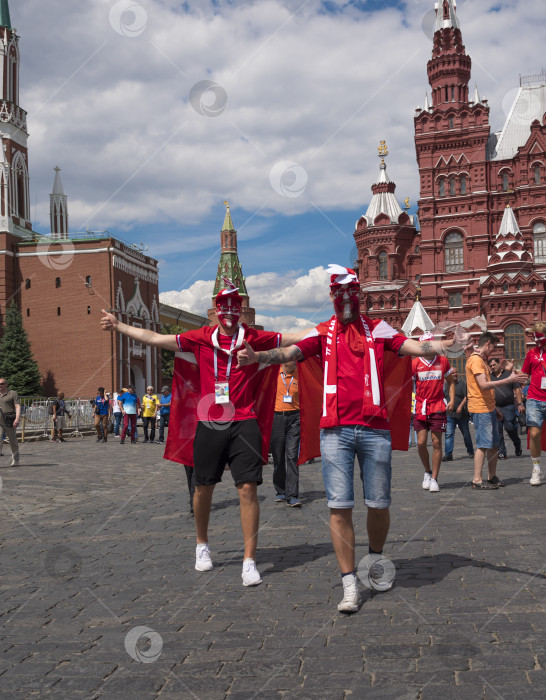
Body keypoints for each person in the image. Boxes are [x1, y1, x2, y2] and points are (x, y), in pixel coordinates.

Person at [237, 264, 471, 613]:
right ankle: (349, 583)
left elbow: (413, 347)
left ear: (359, 296)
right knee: (339, 504)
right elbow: (291, 353)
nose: (346, 299)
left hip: (374, 428)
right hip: (335, 430)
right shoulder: (322, 332)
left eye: (351, 293)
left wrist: (445, 345)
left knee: (378, 503)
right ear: (332, 297)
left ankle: (374, 560)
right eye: (339, 293)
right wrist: (259, 358)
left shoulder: (378, 329)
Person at [100, 282, 302, 587]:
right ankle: (202, 544)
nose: (229, 311)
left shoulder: (252, 338)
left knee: (247, 487)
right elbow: (155, 338)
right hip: (210, 421)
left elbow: (292, 338)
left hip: (244, 419)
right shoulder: (201, 338)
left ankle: (249, 560)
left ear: (240, 309)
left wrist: (333, 327)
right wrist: (119, 326)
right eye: (224, 305)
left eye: (235, 305)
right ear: (216, 310)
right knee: (203, 486)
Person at [466, 332, 526, 489]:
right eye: (493, 347)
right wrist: (509, 379)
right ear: (488, 344)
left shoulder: (480, 361)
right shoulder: (476, 361)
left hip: (488, 407)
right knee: (483, 444)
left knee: (493, 444)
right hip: (480, 408)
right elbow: (483, 385)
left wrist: (494, 408)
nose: (492, 351)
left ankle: (491, 476)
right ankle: (477, 479)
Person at [412, 332, 455, 492]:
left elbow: (450, 381)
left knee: (437, 443)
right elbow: (406, 385)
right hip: (420, 407)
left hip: (438, 406)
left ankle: (435, 479)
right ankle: (427, 472)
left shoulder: (443, 361)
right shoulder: (415, 363)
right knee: (421, 443)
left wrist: (451, 399)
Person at [270, 361, 301, 507]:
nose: (295, 362)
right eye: (292, 359)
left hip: (295, 418)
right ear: (284, 362)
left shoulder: (299, 374)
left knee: (292, 456)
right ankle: (280, 490)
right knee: (278, 457)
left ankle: (292, 494)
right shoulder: (274, 374)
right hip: (277, 418)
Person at [521, 322, 546, 486]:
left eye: (538, 334)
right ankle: (536, 469)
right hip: (534, 398)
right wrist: (511, 371)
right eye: (534, 335)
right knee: (535, 434)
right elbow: (524, 374)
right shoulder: (531, 353)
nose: (535, 338)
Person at [488, 356, 523, 459]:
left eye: (494, 365)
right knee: (498, 431)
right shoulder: (489, 377)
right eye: (491, 366)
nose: (492, 367)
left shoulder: (509, 375)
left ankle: (517, 443)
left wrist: (520, 404)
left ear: (499, 364)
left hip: (508, 406)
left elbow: (517, 389)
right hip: (495, 407)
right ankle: (501, 452)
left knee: (510, 427)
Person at [443, 371, 474, 461]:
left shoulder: (463, 384)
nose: (455, 374)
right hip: (449, 414)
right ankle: (448, 454)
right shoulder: (445, 385)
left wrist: (460, 406)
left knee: (466, 435)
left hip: (462, 415)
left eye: (456, 372)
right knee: (449, 434)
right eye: (452, 373)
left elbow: (467, 396)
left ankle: (470, 451)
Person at [0, 378, 20, 467]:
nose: (0, 386)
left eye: (1, 384)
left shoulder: (12, 393)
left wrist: (17, 419)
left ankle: (15, 460)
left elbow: (17, 407)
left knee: (12, 441)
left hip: (9, 420)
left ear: (6, 384)